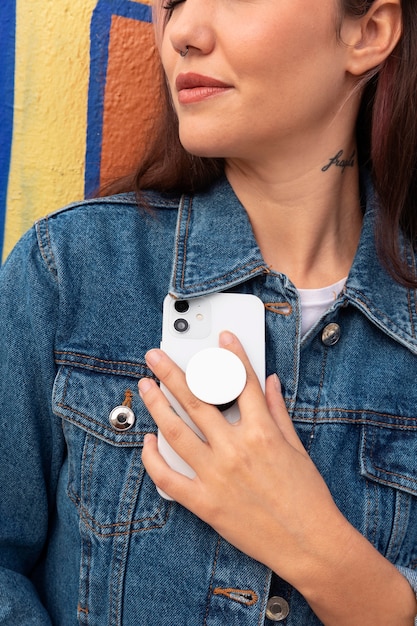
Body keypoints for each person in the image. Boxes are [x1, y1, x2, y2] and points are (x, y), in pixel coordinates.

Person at [1, 0, 417, 623]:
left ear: (369, 31)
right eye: (171, 4)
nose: (183, 34)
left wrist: (323, 556)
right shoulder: (70, 272)